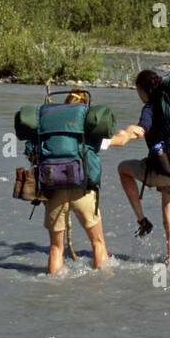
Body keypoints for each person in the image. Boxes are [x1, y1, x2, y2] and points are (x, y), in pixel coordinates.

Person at [112, 69, 170, 264]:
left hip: (158, 169)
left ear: (143, 90)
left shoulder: (151, 106)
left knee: (122, 168)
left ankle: (142, 220)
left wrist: (127, 133)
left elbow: (141, 130)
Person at [41, 91, 110, 275]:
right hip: (83, 190)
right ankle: (101, 288)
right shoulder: (88, 124)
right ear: (86, 105)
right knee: (98, 243)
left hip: (54, 189)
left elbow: (32, 151)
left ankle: (53, 289)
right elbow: (105, 143)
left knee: (56, 248)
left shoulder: (47, 122)